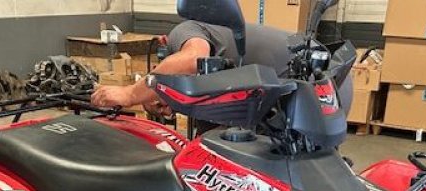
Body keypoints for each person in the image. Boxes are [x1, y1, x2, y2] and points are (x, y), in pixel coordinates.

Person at [91, 21, 293, 112]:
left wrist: (130, 94)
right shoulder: (221, 52)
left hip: (298, 79)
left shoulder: (186, 29)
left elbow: (190, 61)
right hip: (294, 92)